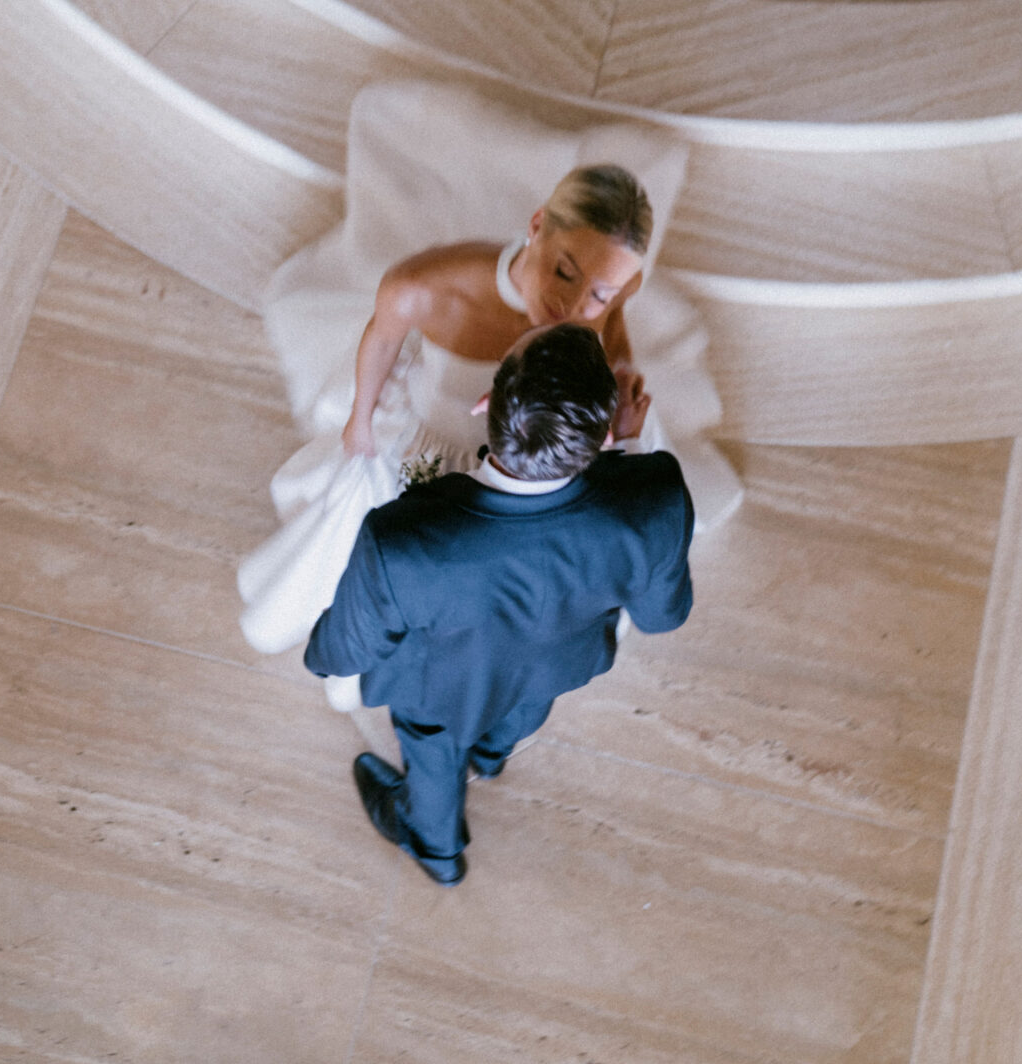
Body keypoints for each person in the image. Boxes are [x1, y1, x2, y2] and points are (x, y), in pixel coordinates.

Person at [238, 157, 732, 687]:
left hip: (537, 459)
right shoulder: (426, 285)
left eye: (600, 294)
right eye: (564, 270)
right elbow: (381, 340)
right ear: (538, 225)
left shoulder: (601, 292)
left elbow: (611, 332)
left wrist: (621, 377)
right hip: (430, 452)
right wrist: (360, 420)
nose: (572, 306)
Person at [304, 323, 695, 886]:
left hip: (439, 687)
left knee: (434, 752)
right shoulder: (653, 497)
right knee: (523, 705)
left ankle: (436, 847)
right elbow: (663, 615)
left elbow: (351, 643)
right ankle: (490, 757)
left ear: (487, 403)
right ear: (606, 429)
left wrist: (321, 656)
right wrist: (630, 451)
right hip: (555, 663)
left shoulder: (405, 540)